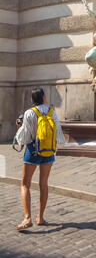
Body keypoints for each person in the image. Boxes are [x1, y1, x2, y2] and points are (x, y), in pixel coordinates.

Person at [13, 88, 66, 230]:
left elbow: (25, 137)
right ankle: (40, 217)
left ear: (33, 99)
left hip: (33, 151)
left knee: (25, 184)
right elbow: (59, 134)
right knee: (43, 183)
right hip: (48, 151)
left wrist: (19, 126)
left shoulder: (29, 113)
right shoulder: (51, 112)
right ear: (43, 98)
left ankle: (27, 218)